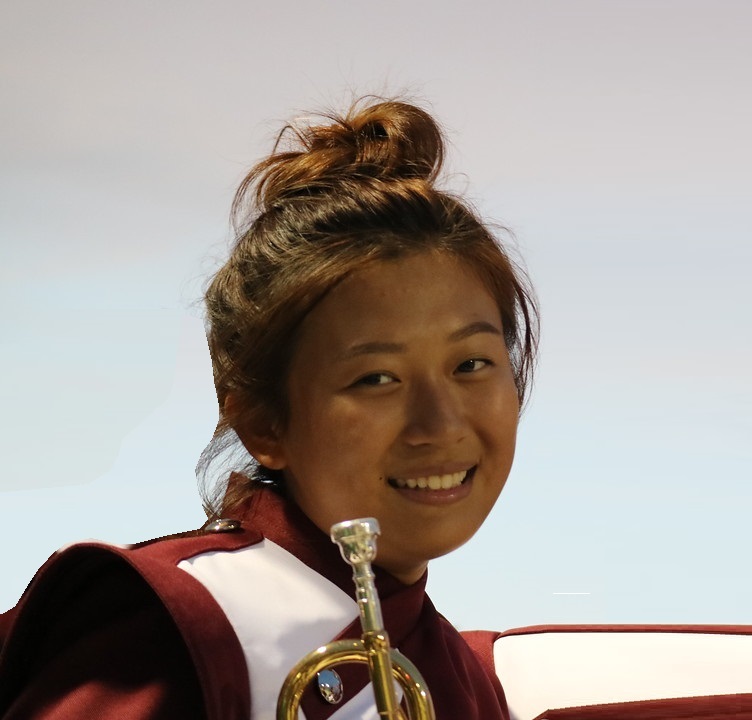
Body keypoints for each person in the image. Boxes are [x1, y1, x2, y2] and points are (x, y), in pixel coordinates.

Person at [0, 98, 537, 719]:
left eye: (471, 365)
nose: (440, 424)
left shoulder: (458, 675)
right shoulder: (182, 630)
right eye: (376, 378)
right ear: (263, 424)